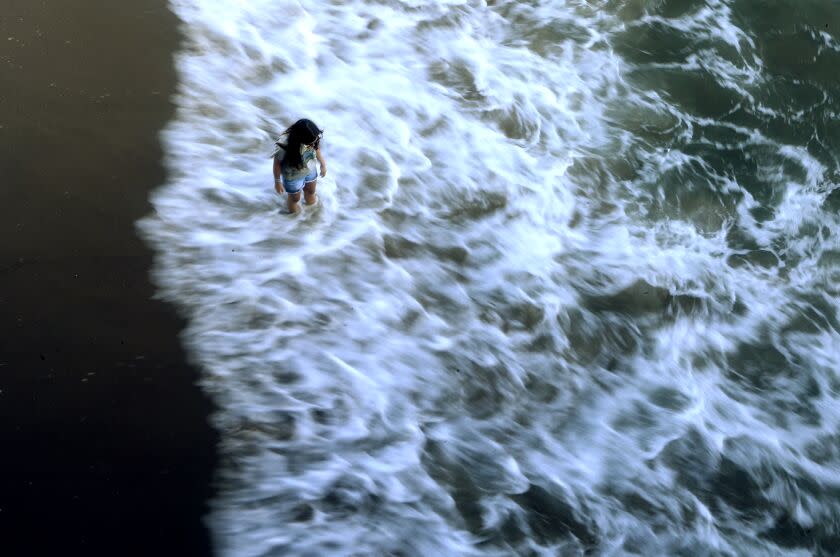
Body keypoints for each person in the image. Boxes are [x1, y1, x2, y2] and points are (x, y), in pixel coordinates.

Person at [272, 118, 327, 214]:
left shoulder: (312, 136)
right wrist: (277, 182)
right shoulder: (283, 145)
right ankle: (294, 217)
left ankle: (313, 213)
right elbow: (277, 164)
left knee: (311, 191)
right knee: (295, 199)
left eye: (315, 141)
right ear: (300, 139)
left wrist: (323, 164)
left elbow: (316, 148)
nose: (313, 144)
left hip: (310, 168)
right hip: (292, 175)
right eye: (310, 143)